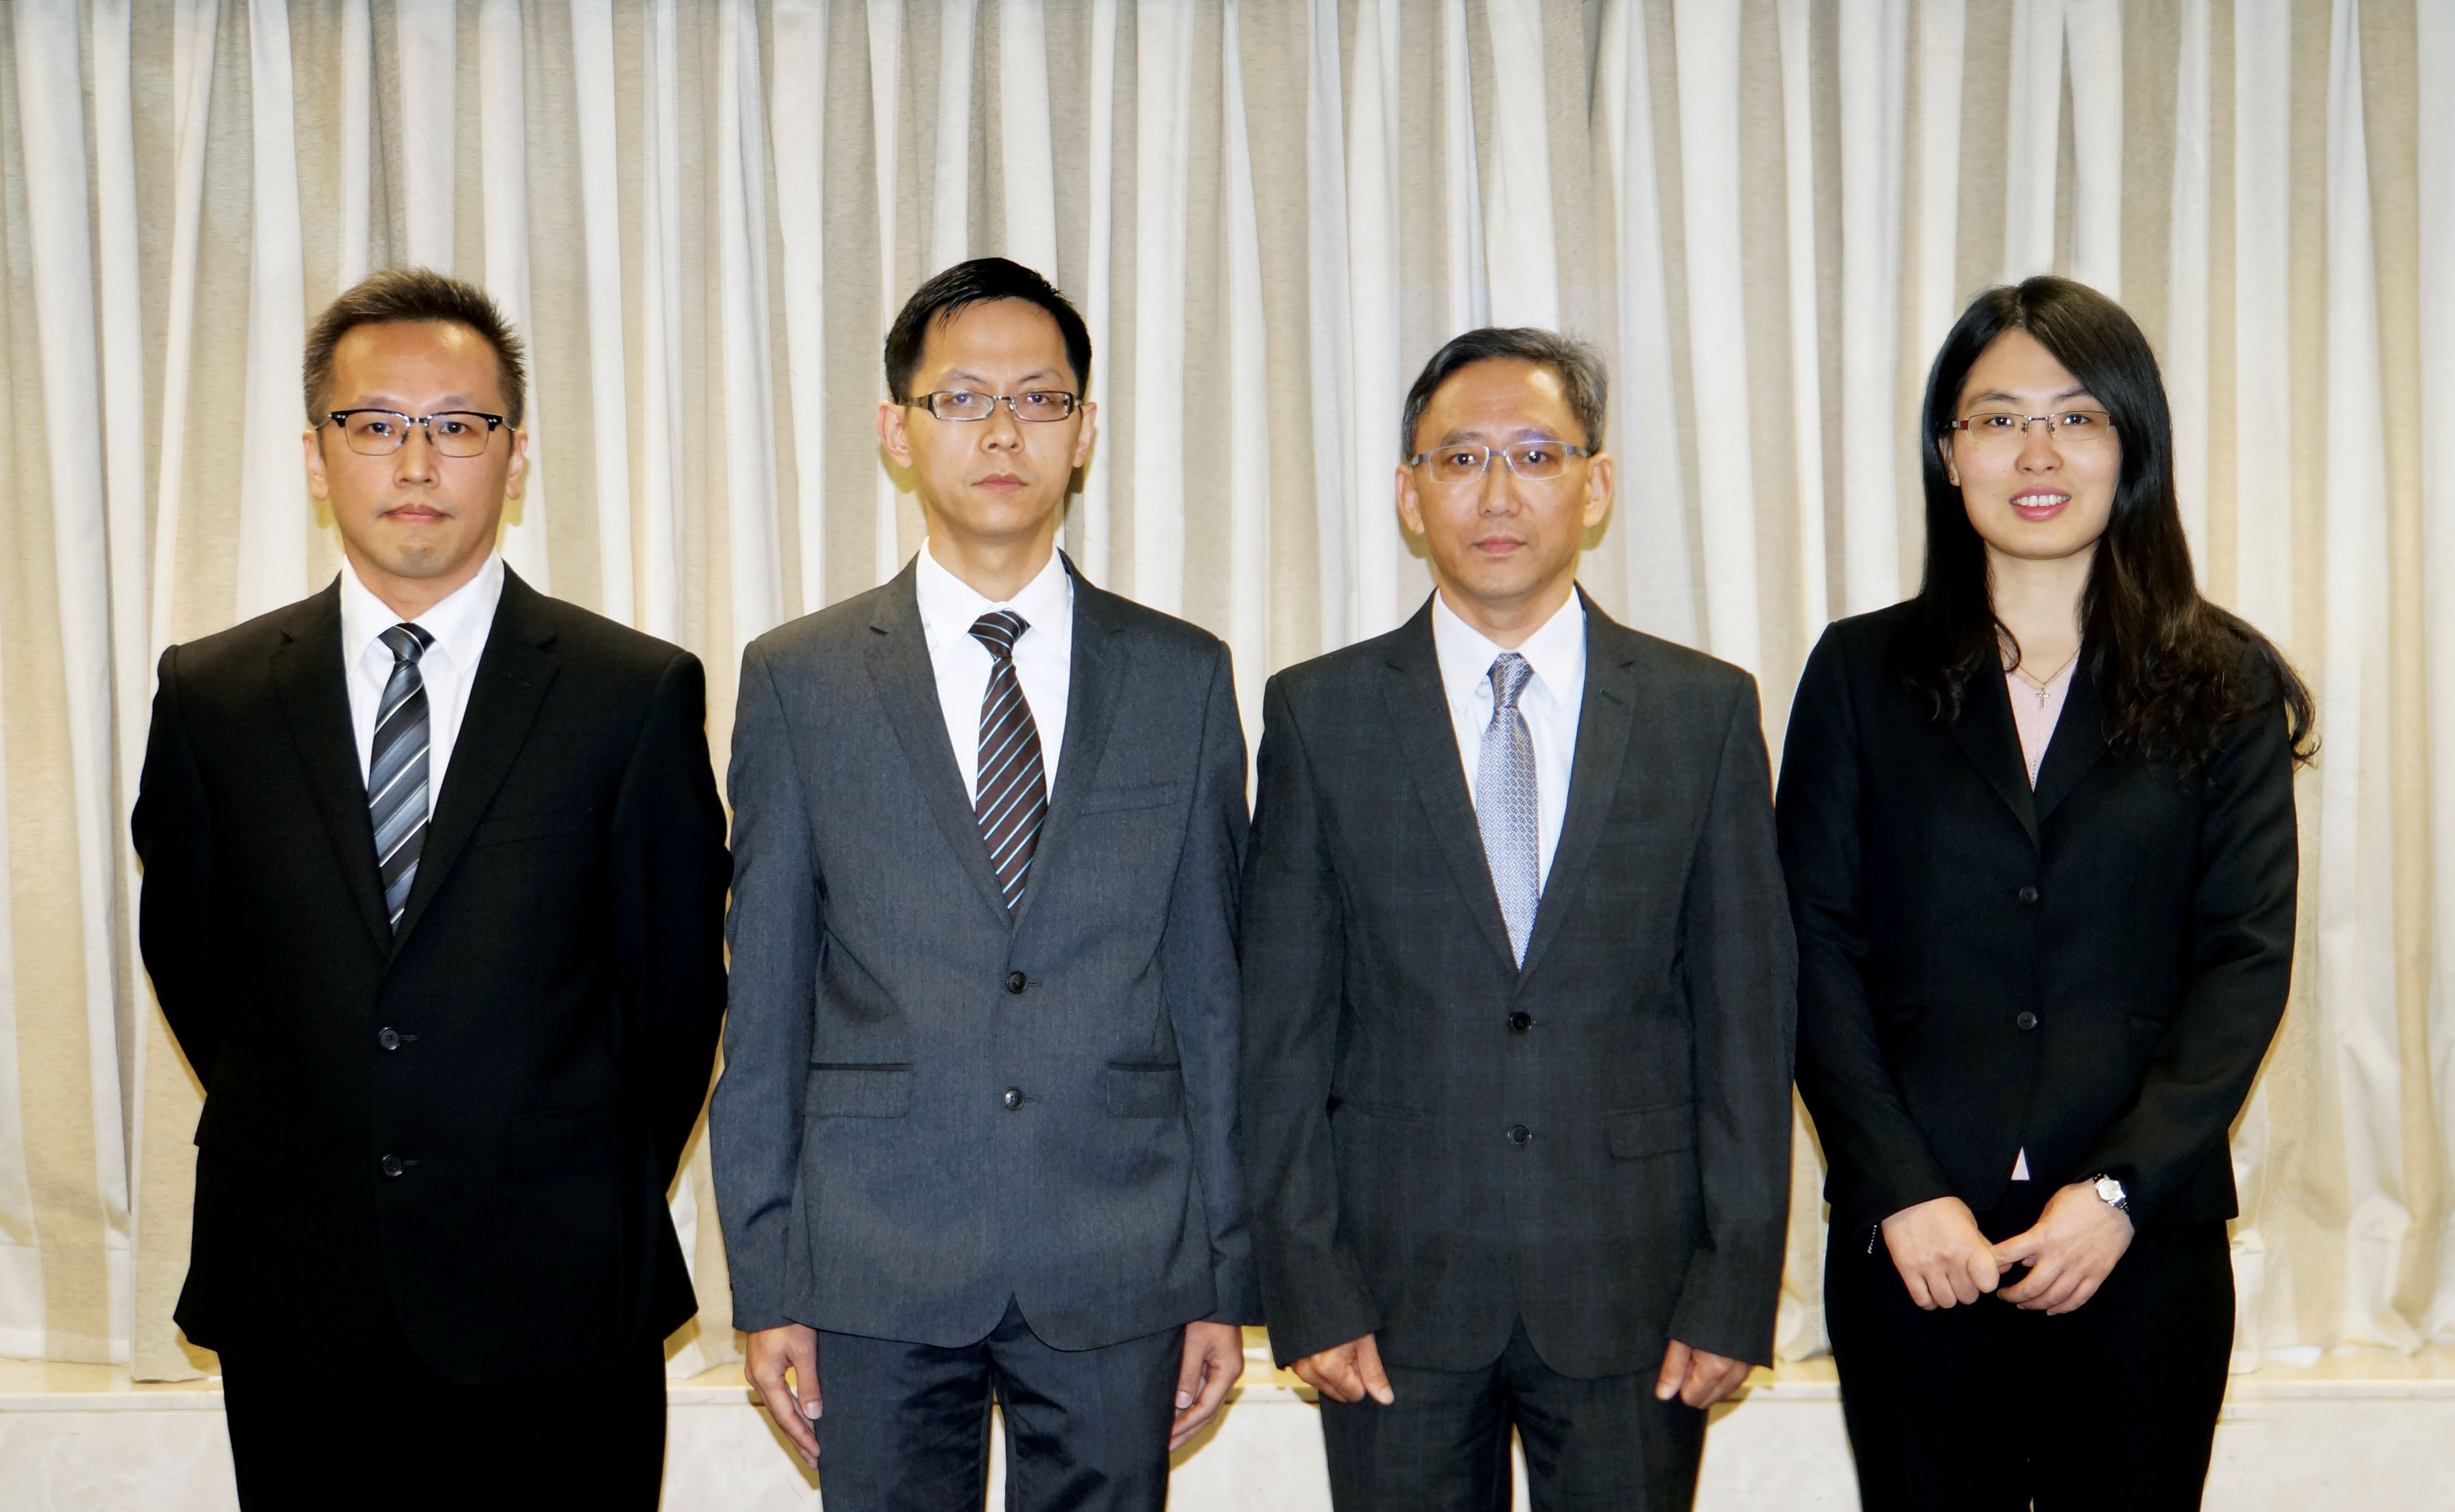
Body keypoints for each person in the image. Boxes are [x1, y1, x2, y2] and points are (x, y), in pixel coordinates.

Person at [130, 268, 731, 1509]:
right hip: (301, 1284)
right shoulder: (214, 696)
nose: (417, 462)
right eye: (376, 425)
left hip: (558, 1291)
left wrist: (557, 1161)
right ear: (316, 455)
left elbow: (674, 998)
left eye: (458, 425)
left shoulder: (629, 695)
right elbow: (195, 960)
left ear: (515, 457)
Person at [710, 256, 1255, 1511]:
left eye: (1039, 399)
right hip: (872, 1256)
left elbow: (1213, 994)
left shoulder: (1180, 675)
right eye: (961, 399)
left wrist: (1225, 1273)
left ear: (1085, 431)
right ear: (897, 429)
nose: (1003, 432)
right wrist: (769, 1277)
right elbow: (767, 998)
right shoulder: (800, 680)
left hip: (1121, 1245)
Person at [1239, 327, 1798, 1510]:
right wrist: (1308, 1284)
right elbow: (1282, 1028)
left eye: (1537, 455)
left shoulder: (1700, 712)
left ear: (1595, 485)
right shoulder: (1319, 715)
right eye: (1460, 459)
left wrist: (1735, 1281)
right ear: (1410, 494)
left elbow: (1746, 1021)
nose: (1497, 494)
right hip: (1391, 1296)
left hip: (1637, 1290)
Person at [1779, 275, 2313, 1511]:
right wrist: (1900, 1189)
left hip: (2139, 1243)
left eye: (2076, 417)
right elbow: (1808, 945)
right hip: (1918, 1249)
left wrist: (2118, 1191)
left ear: (2131, 447)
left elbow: (2244, 960)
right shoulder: (1860, 672)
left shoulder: (2222, 678)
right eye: (1998, 418)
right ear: (1947, 452)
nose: (2036, 453)